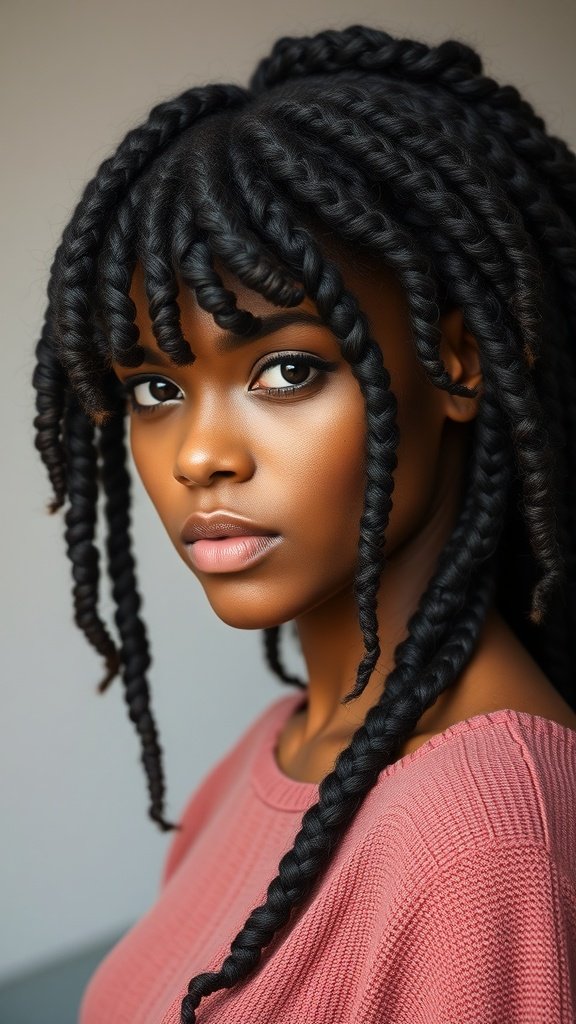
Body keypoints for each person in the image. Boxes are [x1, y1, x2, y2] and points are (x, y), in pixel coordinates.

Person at [32, 23, 576, 1024]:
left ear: (458, 361)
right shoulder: (270, 754)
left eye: (286, 370)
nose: (200, 455)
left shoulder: (482, 835)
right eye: (156, 386)